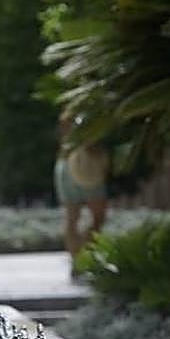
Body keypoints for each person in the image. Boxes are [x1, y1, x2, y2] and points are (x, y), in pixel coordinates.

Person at [54, 111, 109, 271]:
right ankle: (84, 257)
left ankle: (76, 260)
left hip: (65, 164)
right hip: (85, 166)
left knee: (71, 218)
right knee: (98, 217)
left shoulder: (69, 110)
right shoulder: (90, 109)